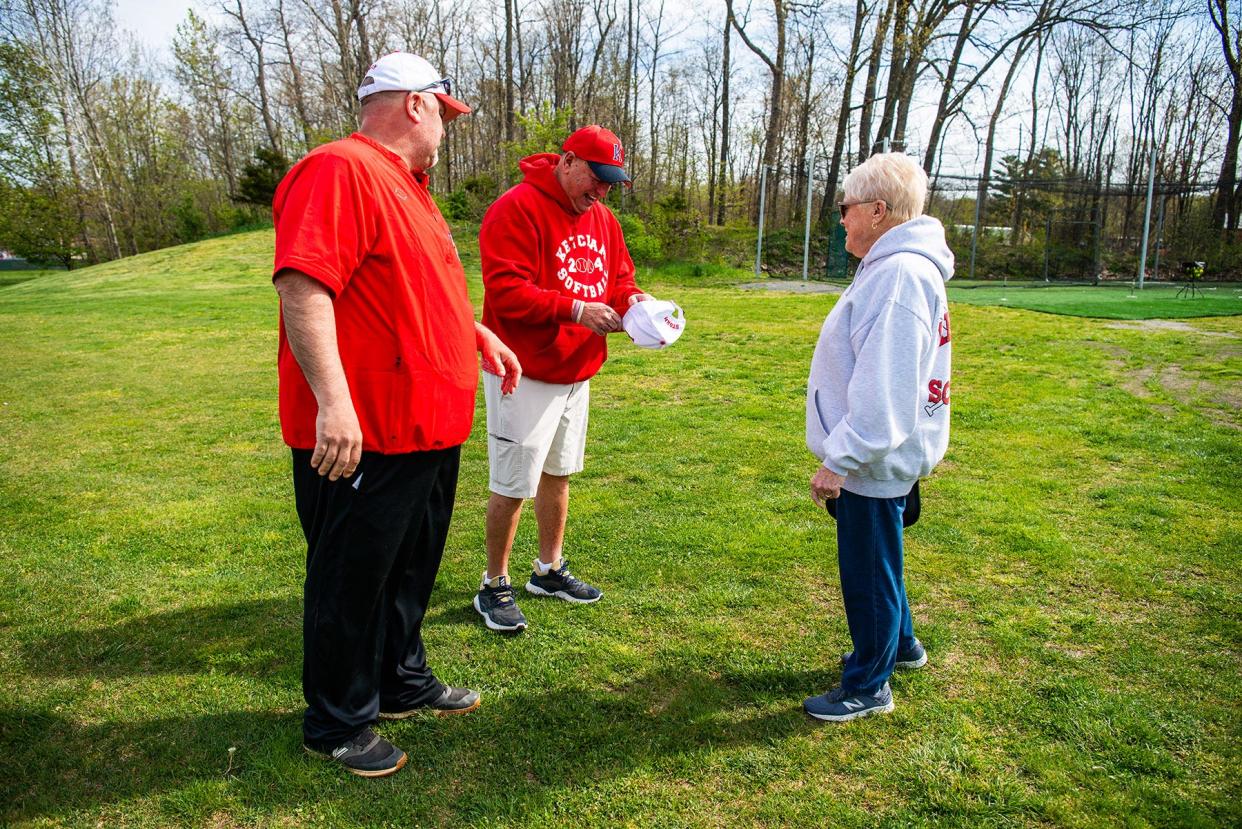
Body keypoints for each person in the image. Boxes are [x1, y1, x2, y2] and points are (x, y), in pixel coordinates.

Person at [271, 51, 521, 777]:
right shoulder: (340, 168)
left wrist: (470, 331)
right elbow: (304, 286)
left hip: (428, 425)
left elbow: (401, 290)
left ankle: (400, 679)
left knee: (409, 567)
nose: (447, 129)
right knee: (353, 576)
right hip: (368, 431)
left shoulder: (410, 188)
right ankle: (339, 721)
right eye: (445, 113)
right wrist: (335, 403)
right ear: (416, 104)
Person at [472, 125, 653, 634]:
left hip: (577, 371)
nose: (601, 192)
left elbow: (619, 279)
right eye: (596, 178)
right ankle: (494, 583)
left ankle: (548, 570)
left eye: (611, 184)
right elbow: (505, 290)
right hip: (522, 370)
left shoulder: (604, 219)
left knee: (559, 473)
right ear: (568, 161)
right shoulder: (516, 207)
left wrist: (634, 301)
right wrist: (574, 309)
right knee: (512, 483)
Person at [803, 152, 953, 722]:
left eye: (846, 208)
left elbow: (884, 384)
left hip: (874, 456)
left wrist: (841, 458)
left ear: (878, 210)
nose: (841, 218)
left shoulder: (898, 275)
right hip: (888, 451)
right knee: (882, 555)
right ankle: (902, 645)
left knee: (867, 565)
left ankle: (869, 683)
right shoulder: (898, 267)